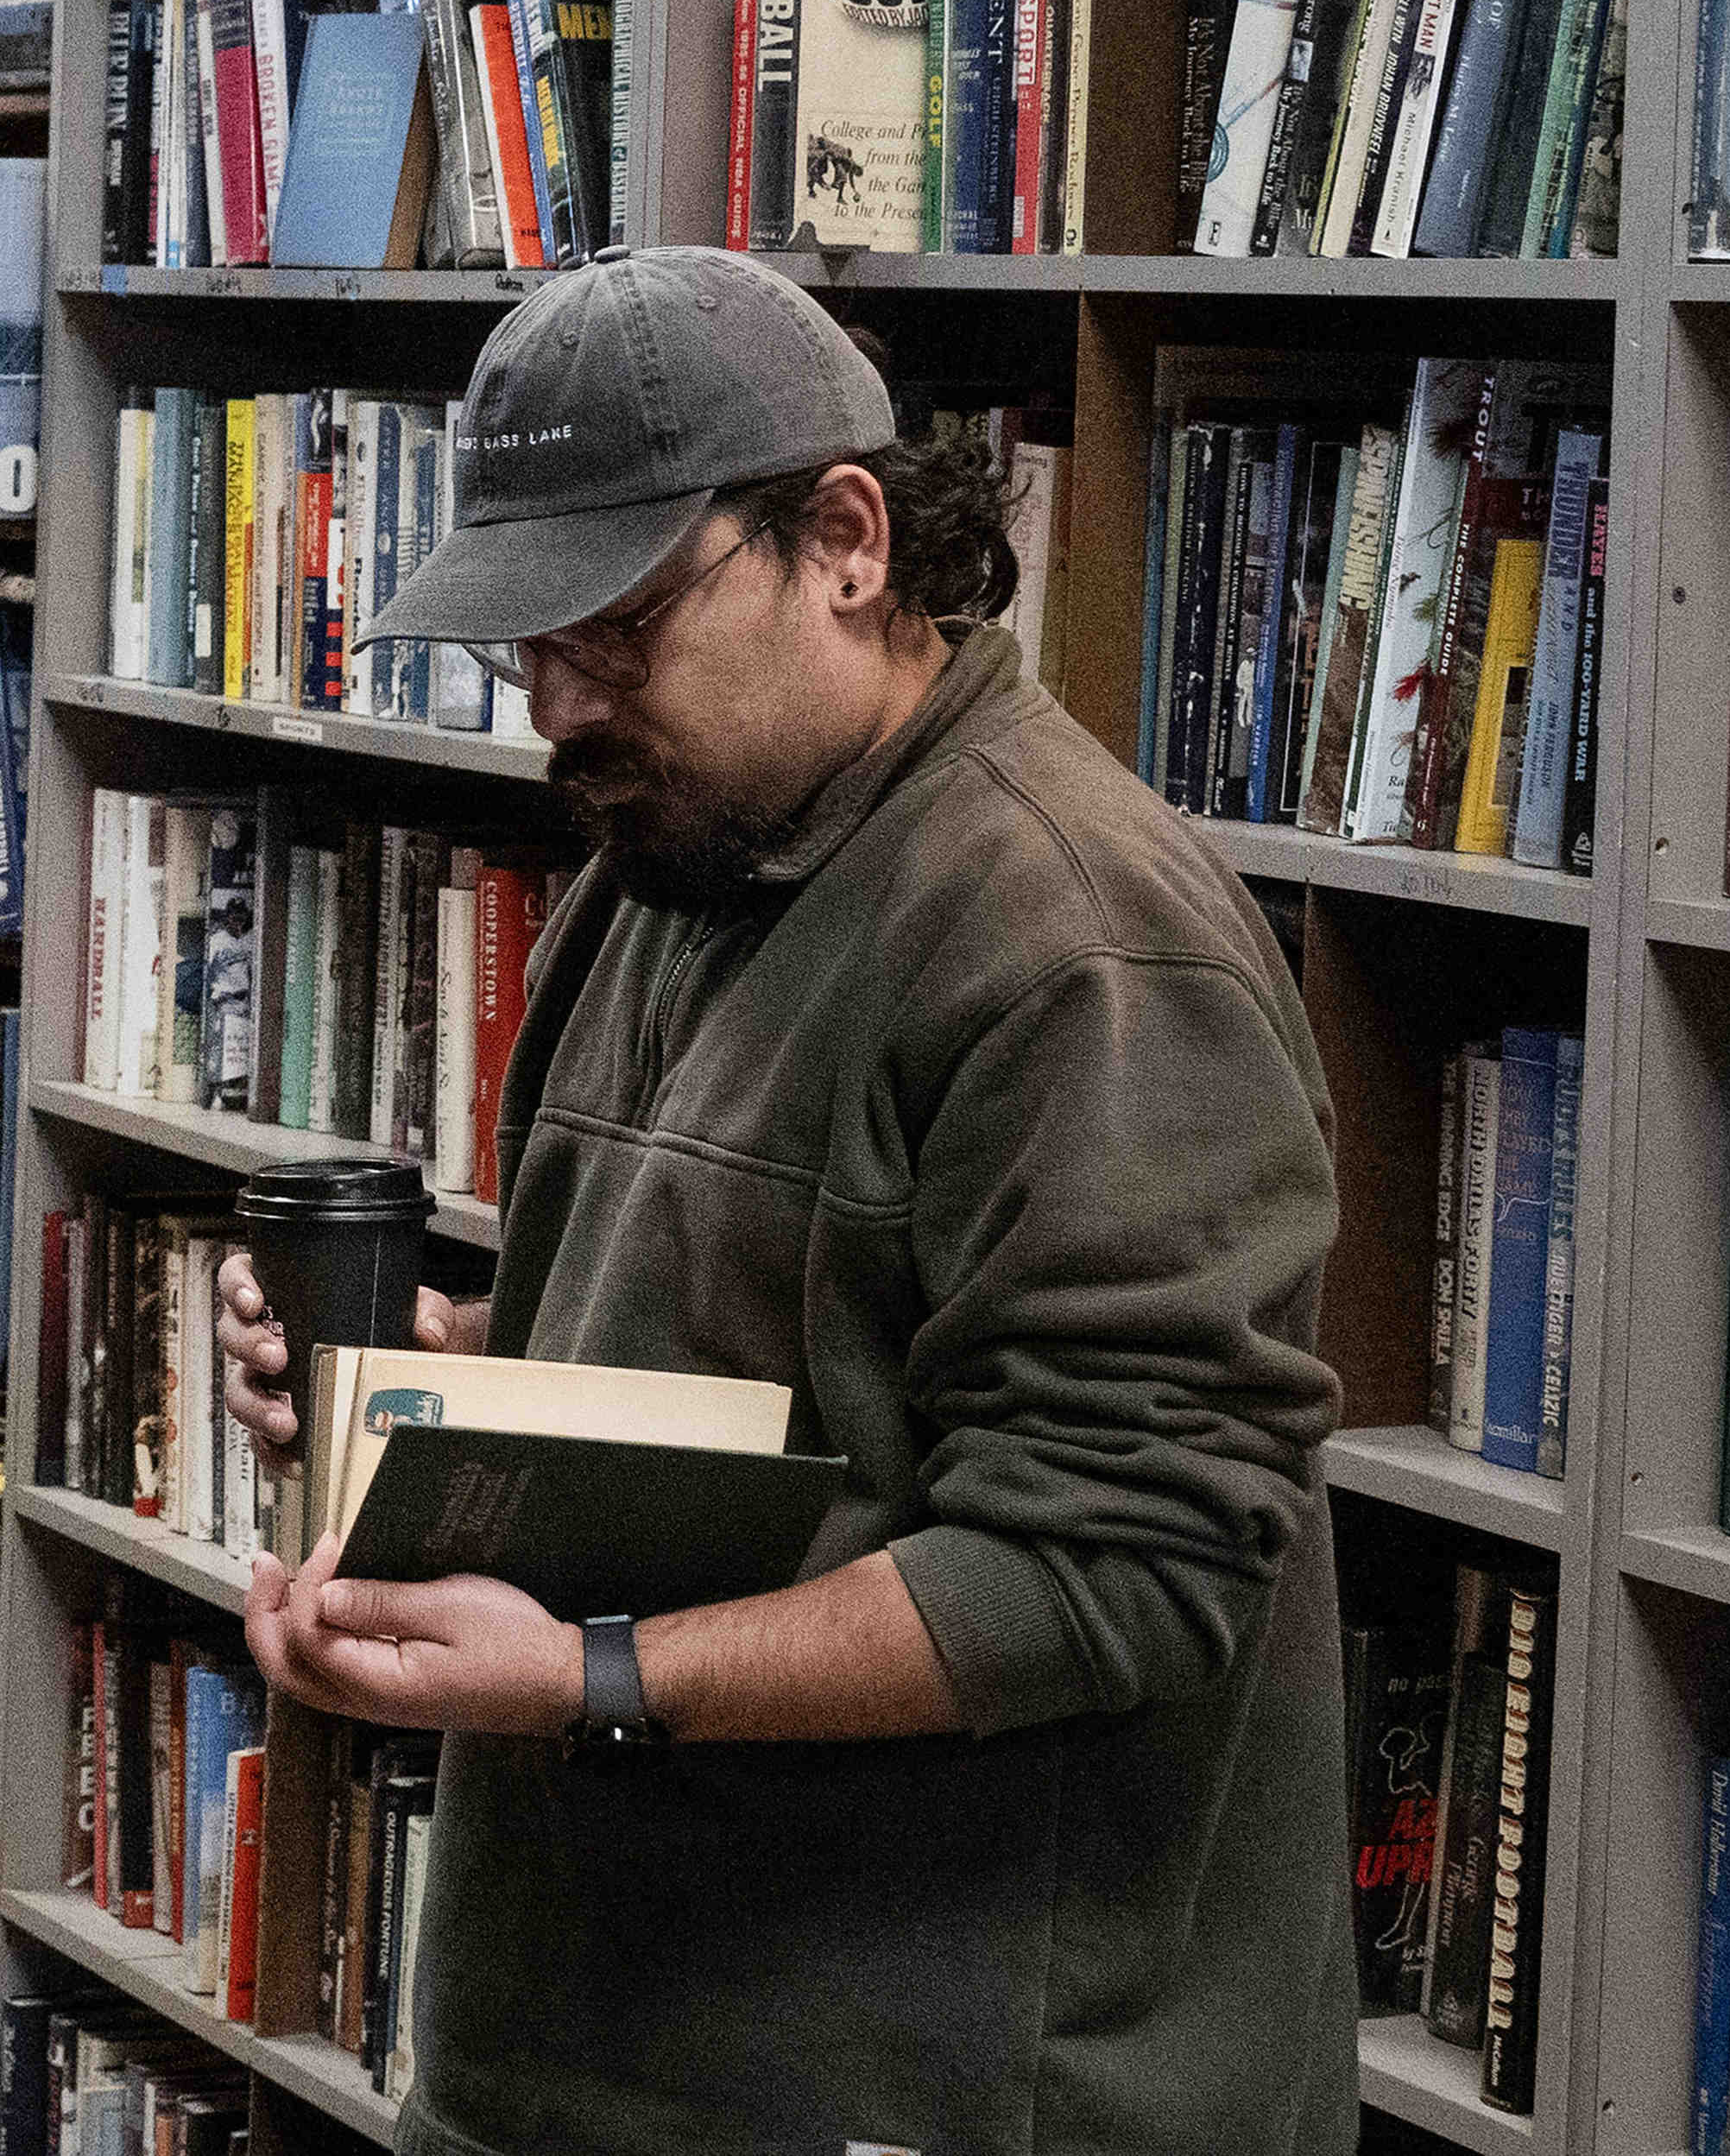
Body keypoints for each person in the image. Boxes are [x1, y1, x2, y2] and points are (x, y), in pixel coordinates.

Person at [212, 245, 1352, 2156]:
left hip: (939, 2082)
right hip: (604, 2042)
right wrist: (458, 1375)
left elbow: (1118, 1562)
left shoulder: (1075, 940)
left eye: (618, 629)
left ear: (844, 540)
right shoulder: (671, 852)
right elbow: (807, 1352)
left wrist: (588, 1673)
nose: (556, 707)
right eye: (524, 645)